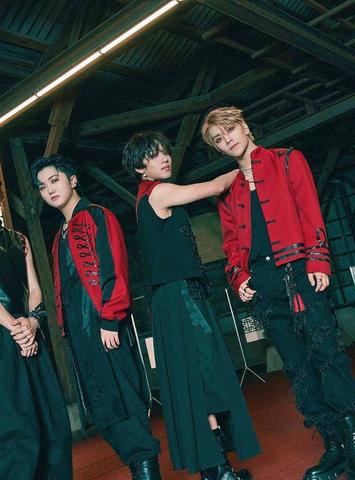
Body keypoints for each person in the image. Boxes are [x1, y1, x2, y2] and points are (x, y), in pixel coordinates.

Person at [201, 106, 355, 480]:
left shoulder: (287, 160)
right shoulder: (229, 189)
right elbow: (232, 242)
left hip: (299, 272)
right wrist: (238, 276)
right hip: (264, 285)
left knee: (327, 355)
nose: (227, 140)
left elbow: (309, 211)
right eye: (219, 139)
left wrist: (318, 259)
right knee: (298, 368)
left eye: (230, 130)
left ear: (244, 126)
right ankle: (333, 448)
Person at [122, 131, 260, 480]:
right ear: (141, 168)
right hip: (179, 296)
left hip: (176, 296)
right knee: (204, 375)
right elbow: (215, 187)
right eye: (155, 154)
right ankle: (219, 470)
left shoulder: (148, 197)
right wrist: (248, 163)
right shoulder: (158, 192)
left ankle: (216, 469)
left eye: (165, 151)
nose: (165, 157)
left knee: (198, 378)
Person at [30, 154, 161, 480]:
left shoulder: (96, 215)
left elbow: (114, 265)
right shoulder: (59, 236)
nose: (49, 190)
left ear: (72, 180)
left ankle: (146, 471)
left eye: (54, 180)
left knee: (125, 402)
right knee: (103, 410)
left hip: (104, 326)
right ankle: (139, 470)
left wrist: (110, 319)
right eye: (42, 187)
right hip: (80, 335)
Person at [0, 225, 72, 480]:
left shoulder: (18, 240)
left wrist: (32, 322)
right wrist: (16, 330)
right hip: (5, 341)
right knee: (17, 430)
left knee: (53, 424)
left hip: (30, 337)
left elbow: (34, 289)